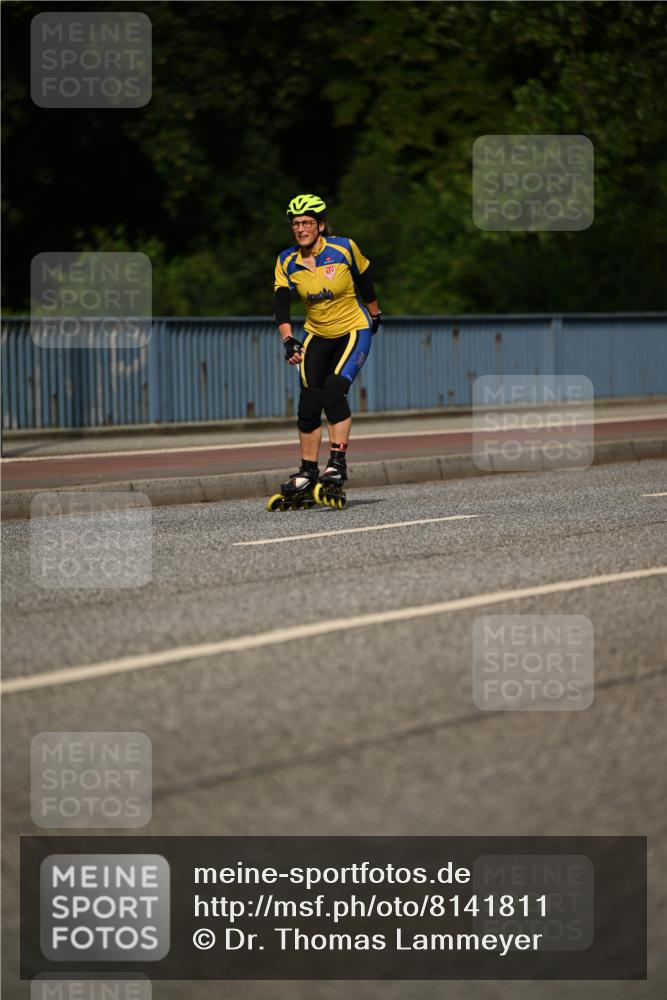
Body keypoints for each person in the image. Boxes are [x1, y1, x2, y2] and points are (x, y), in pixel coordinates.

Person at [268, 193, 382, 510]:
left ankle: (337, 464)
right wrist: (288, 340)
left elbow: (365, 280)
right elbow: (281, 304)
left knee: (333, 390)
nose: (300, 229)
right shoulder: (286, 261)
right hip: (317, 334)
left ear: (320, 225)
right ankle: (308, 472)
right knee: (308, 403)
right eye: (295, 223)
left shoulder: (344, 248)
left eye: (307, 222)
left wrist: (375, 315)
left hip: (353, 330)